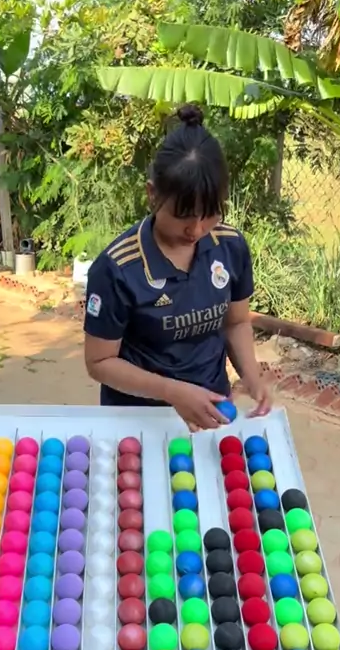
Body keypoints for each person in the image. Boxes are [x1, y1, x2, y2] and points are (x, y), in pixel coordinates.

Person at [83, 104, 271, 430]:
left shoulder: (229, 247)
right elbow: (99, 361)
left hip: (211, 414)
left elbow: (236, 322)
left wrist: (251, 376)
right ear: (152, 195)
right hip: (137, 423)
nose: (196, 230)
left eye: (209, 214)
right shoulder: (117, 268)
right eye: (183, 215)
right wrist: (173, 393)